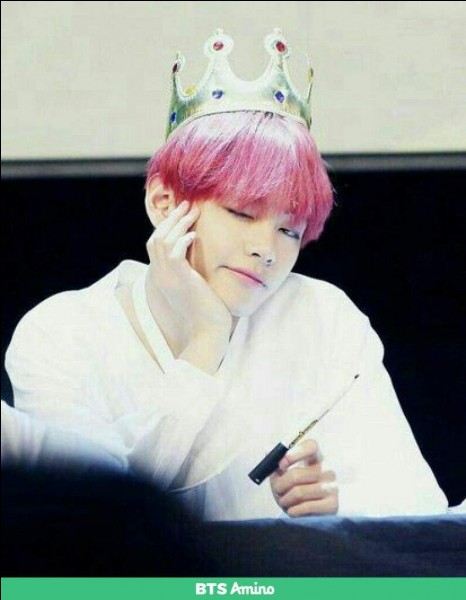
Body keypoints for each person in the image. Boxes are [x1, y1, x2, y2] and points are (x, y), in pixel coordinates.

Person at [4, 28, 447, 520]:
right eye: (241, 213)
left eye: (290, 230)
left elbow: (421, 514)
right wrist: (206, 340)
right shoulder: (61, 333)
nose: (265, 250)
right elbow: (91, 520)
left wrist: (337, 508)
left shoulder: (323, 318)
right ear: (164, 202)